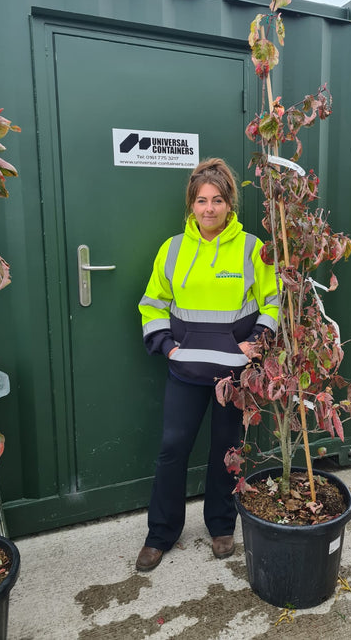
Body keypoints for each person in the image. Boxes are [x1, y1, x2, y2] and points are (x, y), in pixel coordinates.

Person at [136, 157, 279, 572]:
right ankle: (160, 534)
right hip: (184, 371)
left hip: (233, 377)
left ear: (230, 204)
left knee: (226, 452)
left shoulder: (253, 248)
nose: (209, 209)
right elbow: (152, 302)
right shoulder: (173, 248)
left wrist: (257, 342)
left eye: (217, 200)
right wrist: (167, 346)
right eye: (201, 201)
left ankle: (220, 526)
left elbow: (273, 301)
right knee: (171, 450)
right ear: (191, 205)